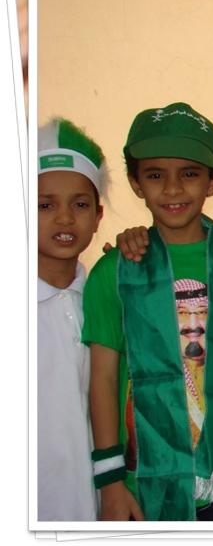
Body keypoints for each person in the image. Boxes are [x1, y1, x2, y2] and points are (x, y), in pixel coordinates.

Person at [82, 102, 213, 521]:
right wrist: (110, 481)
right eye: (155, 175)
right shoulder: (115, 270)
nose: (173, 189)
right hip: (148, 484)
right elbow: (103, 379)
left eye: (189, 174)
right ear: (135, 183)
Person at [37, 117, 106, 520]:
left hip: (96, 505)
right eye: (45, 205)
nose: (64, 218)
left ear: (98, 216)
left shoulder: (105, 298)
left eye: (79, 205)